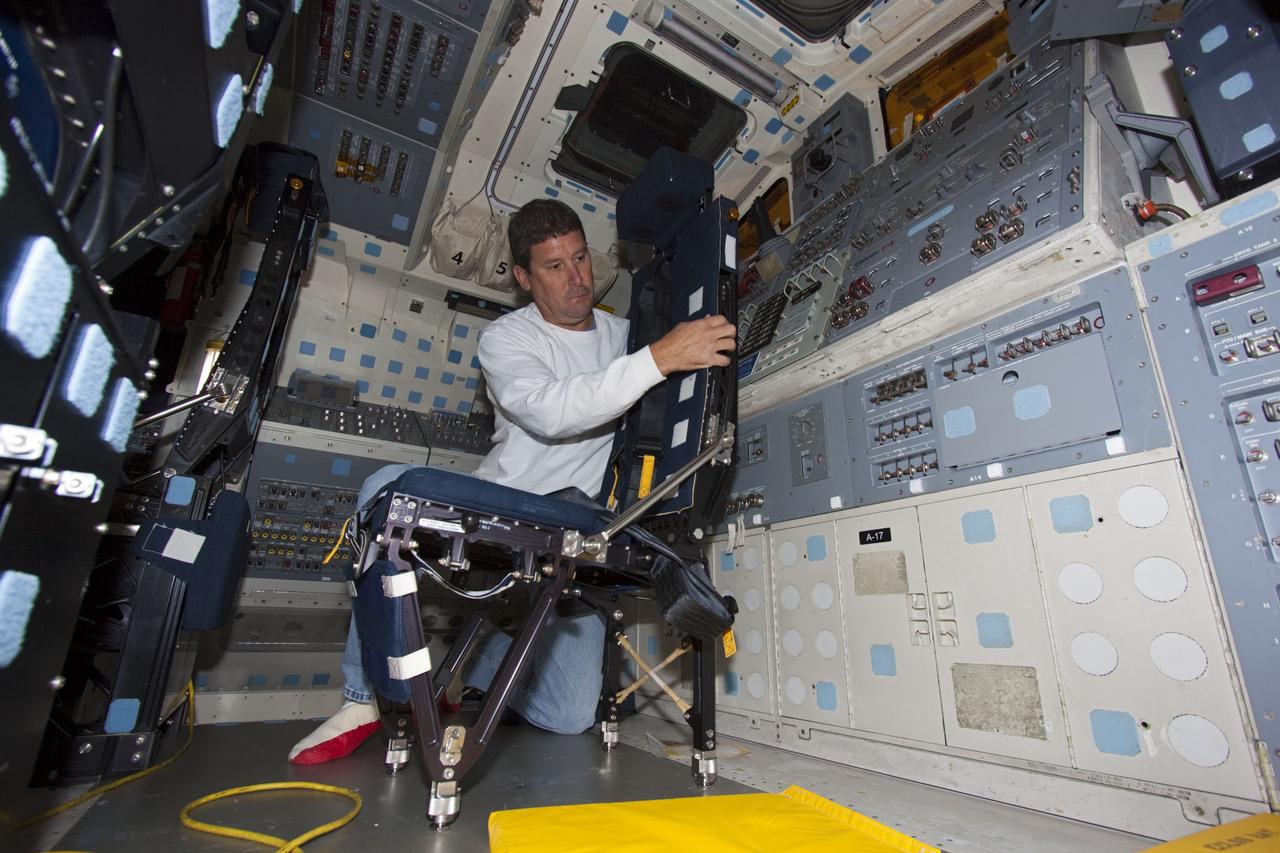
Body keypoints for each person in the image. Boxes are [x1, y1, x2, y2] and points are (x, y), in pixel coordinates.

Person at [288, 199, 735, 764]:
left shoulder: (627, 337)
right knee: (385, 482)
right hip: (507, 503)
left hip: (577, 525)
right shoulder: (507, 339)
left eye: (580, 259)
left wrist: (677, 352)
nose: (576, 279)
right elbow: (552, 412)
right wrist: (659, 358)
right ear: (523, 278)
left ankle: (470, 662)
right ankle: (361, 699)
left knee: (571, 716)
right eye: (554, 266)